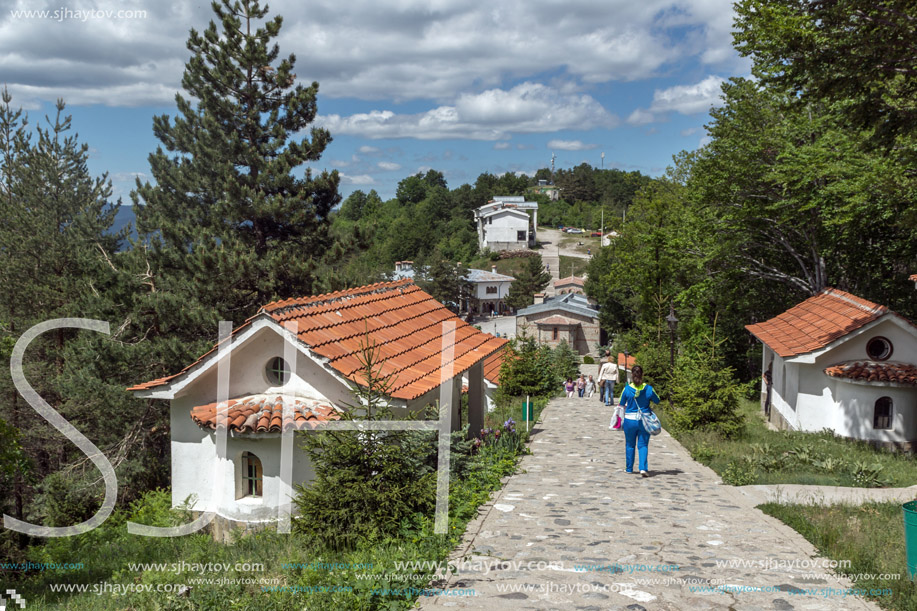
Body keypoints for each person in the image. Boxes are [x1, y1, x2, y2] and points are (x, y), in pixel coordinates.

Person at [617, 365, 661, 477]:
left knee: (630, 444)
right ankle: (643, 468)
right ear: (643, 375)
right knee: (643, 445)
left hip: (630, 420)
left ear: (632, 375)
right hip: (644, 420)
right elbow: (657, 400)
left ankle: (629, 468)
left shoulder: (626, 389)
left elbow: (621, 403)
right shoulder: (649, 389)